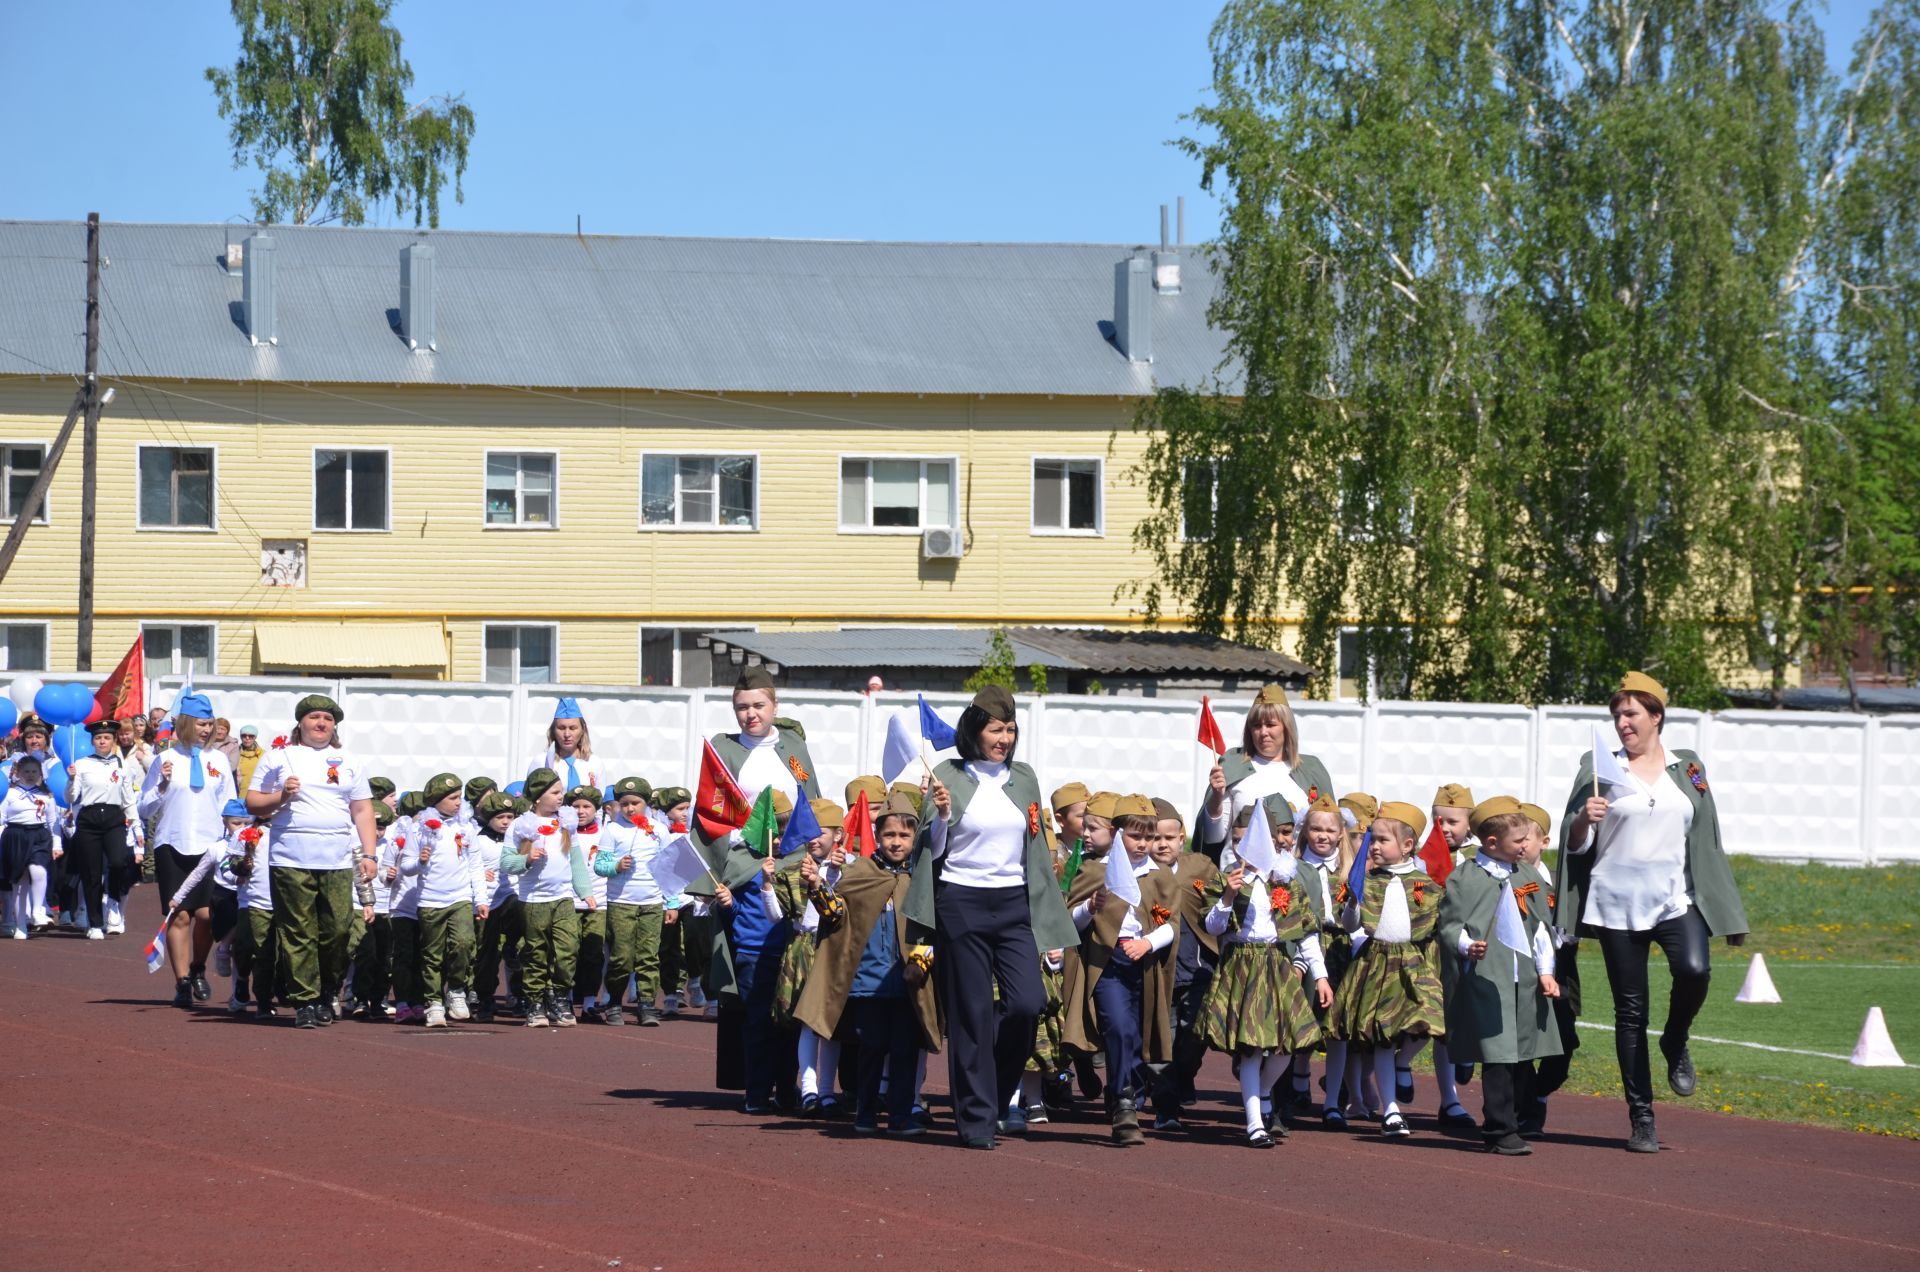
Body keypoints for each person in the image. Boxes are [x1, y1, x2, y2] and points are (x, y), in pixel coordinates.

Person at [1556, 671, 1748, 1154]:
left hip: (1673, 899)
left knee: (1695, 969)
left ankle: (1675, 1038)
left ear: (1656, 717)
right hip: (1616, 903)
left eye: (1631, 713)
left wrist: (1728, 912)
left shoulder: (1688, 767)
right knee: (1630, 1013)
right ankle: (1642, 1118)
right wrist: (1584, 819)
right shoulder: (1599, 766)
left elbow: (1708, 837)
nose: (1622, 723)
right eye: (1617, 714)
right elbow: (1574, 845)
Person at [908, 685, 1079, 1149]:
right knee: (973, 1014)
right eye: (994, 729)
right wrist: (941, 816)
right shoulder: (948, 774)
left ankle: (999, 1098)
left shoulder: (1024, 778)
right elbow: (931, 852)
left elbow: (1035, 849)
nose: (1003, 738)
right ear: (974, 731)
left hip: (1012, 905)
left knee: (1026, 1004)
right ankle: (977, 1119)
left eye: (1010, 729)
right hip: (961, 902)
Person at [792, 792, 939, 1138]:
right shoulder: (860, 872)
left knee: (905, 1049)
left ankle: (901, 1115)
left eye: (904, 835)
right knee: (871, 1049)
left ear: (914, 837)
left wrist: (920, 962)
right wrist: (817, 886)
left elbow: (935, 928)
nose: (896, 842)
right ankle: (866, 1112)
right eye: (889, 835)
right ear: (878, 835)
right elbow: (836, 914)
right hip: (867, 983)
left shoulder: (923, 876)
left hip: (909, 983)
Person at [244, 693, 378, 1030]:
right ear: (300, 722)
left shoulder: (348, 760)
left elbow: (362, 809)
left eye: (328, 719)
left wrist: (370, 854)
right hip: (290, 856)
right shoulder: (279, 757)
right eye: (315, 717)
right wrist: (282, 796)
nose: (321, 723)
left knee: (338, 930)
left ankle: (327, 990)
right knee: (298, 931)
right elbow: (253, 802)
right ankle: (305, 1000)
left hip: (336, 858)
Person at [1203, 800, 1332, 1148]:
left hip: (1277, 964)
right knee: (1252, 1047)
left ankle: (1261, 1092)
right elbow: (1214, 927)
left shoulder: (1286, 882)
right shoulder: (1230, 880)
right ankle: (1254, 1123)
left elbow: (1305, 933)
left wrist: (1319, 975)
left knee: (1291, 1042)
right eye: (1240, 841)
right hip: (1243, 964)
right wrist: (1228, 896)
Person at [1438, 796, 1563, 1155]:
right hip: (1486, 978)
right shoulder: (1466, 876)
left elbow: (1539, 929)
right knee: (1497, 1054)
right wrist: (1466, 946)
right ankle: (1499, 1130)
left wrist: (1545, 971)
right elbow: (1450, 925)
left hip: (1522, 980)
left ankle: (1522, 1118)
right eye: (1519, 840)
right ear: (1492, 843)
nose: (1526, 845)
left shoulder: (1527, 875)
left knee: (1522, 1052)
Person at [1066, 794, 1181, 1146]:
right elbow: (1071, 920)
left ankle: (1122, 1092)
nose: (1143, 844)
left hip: (1143, 964)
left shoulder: (1159, 877)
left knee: (1136, 1034)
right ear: (1117, 835)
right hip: (1107, 964)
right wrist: (1089, 906)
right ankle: (1124, 1106)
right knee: (1117, 1027)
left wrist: (1149, 943)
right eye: (1135, 836)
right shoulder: (1095, 871)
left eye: (1148, 836)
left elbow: (1172, 923)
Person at [1330, 801, 1446, 1140]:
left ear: (1407, 846)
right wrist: (1353, 901)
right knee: (1382, 1036)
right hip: (1377, 962)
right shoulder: (1368, 880)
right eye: (1373, 839)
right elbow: (1352, 924)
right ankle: (1391, 1109)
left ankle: (1403, 1061)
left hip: (1414, 963)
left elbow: (1437, 925)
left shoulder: (1426, 883)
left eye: (1382, 840)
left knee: (1431, 1020)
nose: (1375, 846)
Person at [139, 691, 236, 1007]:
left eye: (210, 724)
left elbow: (229, 806)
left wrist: (234, 838)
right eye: (201, 724)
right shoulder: (164, 760)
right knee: (179, 915)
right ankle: (181, 982)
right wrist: (161, 786)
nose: (207, 730)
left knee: (208, 916)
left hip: (210, 846)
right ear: (184, 724)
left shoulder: (218, 760)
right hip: (172, 844)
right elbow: (144, 807)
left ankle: (198, 968)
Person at [1196, 684, 1337, 863]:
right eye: (1256, 725)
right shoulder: (1234, 764)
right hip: (1239, 879)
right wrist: (1216, 798)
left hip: (1294, 881)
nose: (1263, 732)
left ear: (1286, 728)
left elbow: (1331, 832)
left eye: (1271, 725)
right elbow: (1212, 838)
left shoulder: (1311, 770)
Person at [501, 768, 593, 1027]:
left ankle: (559, 996)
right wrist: (526, 859)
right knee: (536, 953)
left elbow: (575, 860)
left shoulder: (566, 822)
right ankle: (535, 1002)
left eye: (561, 791)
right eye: (554, 792)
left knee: (568, 950)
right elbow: (507, 862)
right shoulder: (522, 825)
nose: (560, 797)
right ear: (538, 796)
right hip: (533, 900)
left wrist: (586, 893)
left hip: (563, 898)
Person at [412, 773, 486, 1028]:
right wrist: (419, 861)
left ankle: (456, 990)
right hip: (431, 900)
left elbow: (475, 864)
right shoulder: (420, 826)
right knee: (432, 955)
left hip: (460, 897)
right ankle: (433, 1002)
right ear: (436, 800)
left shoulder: (465, 827)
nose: (458, 802)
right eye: (452, 798)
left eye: (460, 797)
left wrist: (481, 899)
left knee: (464, 943)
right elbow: (407, 867)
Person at [597, 777, 668, 1026]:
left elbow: (669, 866)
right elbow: (599, 865)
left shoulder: (658, 830)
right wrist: (616, 865)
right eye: (624, 803)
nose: (629, 809)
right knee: (621, 955)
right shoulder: (612, 830)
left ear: (646, 803)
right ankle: (614, 1001)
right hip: (621, 902)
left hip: (651, 901)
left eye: (635, 803)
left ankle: (646, 1004)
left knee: (649, 955)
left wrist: (670, 903)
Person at [64, 719, 140, 939]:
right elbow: (71, 797)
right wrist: (70, 780)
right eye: (98, 738)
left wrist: (136, 827)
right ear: (93, 741)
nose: (102, 741)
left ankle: (113, 901)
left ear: (114, 740)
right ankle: (95, 923)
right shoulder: (82, 763)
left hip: (114, 816)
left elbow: (128, 799)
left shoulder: (122, 765)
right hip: (89, 817)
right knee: (91, 873)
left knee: (117, 862)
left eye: (107, 737)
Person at [3, 753, 62, 939]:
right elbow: (1, 817)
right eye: (26, 771)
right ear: (18, 773)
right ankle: (20, 923)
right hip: (15, 835)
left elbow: (53, 822)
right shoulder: (9, 793)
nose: (30, 775)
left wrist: (57, 844)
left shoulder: (46, 795)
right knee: (19, 883)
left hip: (39, 835)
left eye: (34, 771)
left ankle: (37, 911)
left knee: (39, 871)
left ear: (40, 773)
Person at [232, 725, 265, 794]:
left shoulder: (262, 754)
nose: (247, 738)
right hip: (236, 793)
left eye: (251, 736)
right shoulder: (234, 752)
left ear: (255, 737)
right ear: (241, 737)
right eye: (244, 736)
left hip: (254, 794)